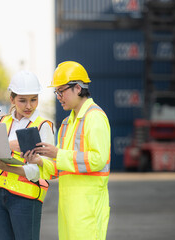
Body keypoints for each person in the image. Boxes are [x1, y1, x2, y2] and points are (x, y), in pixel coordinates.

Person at [24, 61, 111, 240]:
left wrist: (58, 154)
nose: (58, 96)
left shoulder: (94, 117)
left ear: (78, 88)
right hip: (68, 209)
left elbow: (98, 159)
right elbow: (60, 167)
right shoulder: (66, 123)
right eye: (57, 92)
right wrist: (40, 161)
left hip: (88, 208)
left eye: (61, 91)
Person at [0, 70, 55, 240]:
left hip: (26, 198)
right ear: (12, 99)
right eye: (22, 100)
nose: (29, 106)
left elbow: (43, 170)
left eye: (33, 100)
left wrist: (7, 168)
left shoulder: (43, 126)